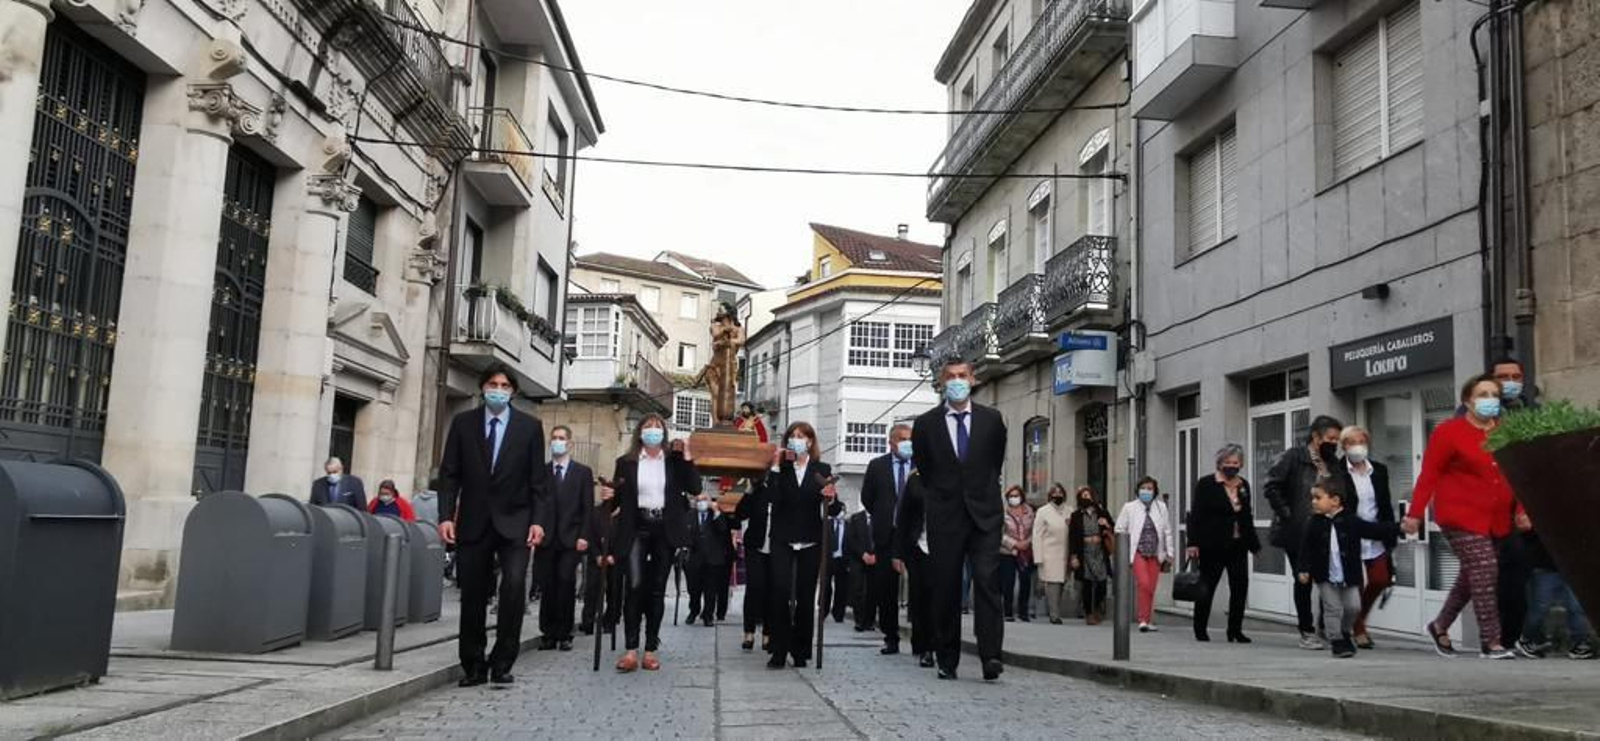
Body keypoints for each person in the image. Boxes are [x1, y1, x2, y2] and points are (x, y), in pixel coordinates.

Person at [436, 364, 549, 687]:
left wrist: (538, 521)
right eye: (492, 384)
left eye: (504, 385)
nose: (498, 389)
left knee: (513, 587)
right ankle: (473, 664)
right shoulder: (463, 423)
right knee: (472, 592)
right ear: (483, 387)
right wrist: (446, 515)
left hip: (516, 522)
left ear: (512, 390)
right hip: (473, 522)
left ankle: (503, 662)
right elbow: (449, 474)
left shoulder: (529, 428)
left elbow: (537, 482)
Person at [1402, 374, 1525, 660]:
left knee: (1472, 575)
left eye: (1494, 395)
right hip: (1459, 514)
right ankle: (1491, 642)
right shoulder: (1449, 432)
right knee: (1485, 567)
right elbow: (1429, 474)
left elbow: (1519, 475)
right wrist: (1415, 513)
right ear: (1468, 401)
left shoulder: (1506, 431)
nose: (1490, 400)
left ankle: (1440, 625)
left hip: (1495, 518)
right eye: (1483, 395)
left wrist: (1521, 510)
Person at [910, 358, 1008, 681]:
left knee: (986, 581)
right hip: (945, 516)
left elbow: (995, 460)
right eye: (951, 377)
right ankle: (947, 657)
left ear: (973, 379)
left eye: (962, 376)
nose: (957, 381)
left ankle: (991, 655)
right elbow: (925, 468)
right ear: (942, 382)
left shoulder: (992, 421)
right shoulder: (925, 425)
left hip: (985, 515)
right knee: (947, 587)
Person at [601, 415, 700, 673]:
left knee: (656, 588)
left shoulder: (674, 461)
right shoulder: (626, 463)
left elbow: (695, 487)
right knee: (634, 585)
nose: (653, 431)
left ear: (664, 433)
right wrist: (609, 495)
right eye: (648, 427)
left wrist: (688, 456)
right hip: (635, 528)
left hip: (664, 529)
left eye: (658, 427)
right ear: (640, 432)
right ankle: (631, 649)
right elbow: (618, 498)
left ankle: (651, 648)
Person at [1296, 477, 1404, 658]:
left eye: (1318, 497)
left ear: (1335, 500)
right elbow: (1305, 548)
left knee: (1353, 606)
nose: (1313, 502)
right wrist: (1303, 569)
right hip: (1324, 574)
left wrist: (1398, 527)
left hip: (1348, 573)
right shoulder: (1313, 523)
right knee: (1333, 607)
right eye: (1312, 498)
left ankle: (1345, 631)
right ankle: (1336, 640)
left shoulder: (1351, 521)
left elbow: (1373, 530)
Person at [1265, 414, 1345, 650]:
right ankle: (1306, 631)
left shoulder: (1333, 463)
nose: (1334, 443)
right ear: (1316, 436)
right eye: (1330, 438)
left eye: (1337, 440)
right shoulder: (1294, 457)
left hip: (1327, 529)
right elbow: (1271, 486)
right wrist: (1288, 514)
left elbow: (1340, 492)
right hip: (1297, 530)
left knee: (1327, 578)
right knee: (1304, 579)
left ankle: (1327, 627)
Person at [762, 422, 837, 669]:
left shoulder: (821, 469)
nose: (797, 440)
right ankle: (778, 649)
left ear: (811, 441)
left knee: (806, 596)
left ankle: (802, 648)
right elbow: (771, 498)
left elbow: (833, 508)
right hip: (783, 537)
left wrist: (831, 496)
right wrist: (774, 465)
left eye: (802, 436)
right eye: (793, 436)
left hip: (811, 538)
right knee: (780, 592)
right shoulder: (780, 470)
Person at [1186, 444, 1261, 643]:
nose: (1231, 466)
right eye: (1227, 462)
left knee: (1239, 588)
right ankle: (1200, 629)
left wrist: (1254, 544)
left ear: (1241, 464)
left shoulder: (1243, 485)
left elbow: (1246, 516)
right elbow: (1196, 515)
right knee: (1207, 587)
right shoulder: (1206, 484)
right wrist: (1192, 543)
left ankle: (1235, 630)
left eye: (1235, 463)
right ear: (1219, 464)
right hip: (1213, 544)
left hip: (1238, 544)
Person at [1335, 426, 1397, 650]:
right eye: (1351, 442)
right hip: (1350, 532)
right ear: (1344, 446)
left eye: (1361, 441)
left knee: (1380, 579)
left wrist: (1390, 531)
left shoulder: (1378, 470)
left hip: (1376, 533)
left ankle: (1357, 619)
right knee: (1355, 583)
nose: (1357, 446)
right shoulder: (1337, 471)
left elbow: (1385, 503)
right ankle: (1358, 628)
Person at [535, 425, 593, 652]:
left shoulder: (582, 472)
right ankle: (548, 633)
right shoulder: (542, 471)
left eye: (561, 438)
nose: (557, 442)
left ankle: (565, 632)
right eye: (554, 438)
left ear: (569, 443)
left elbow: (587, 507)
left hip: (571, 538)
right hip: (547, 538)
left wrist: (585, 536)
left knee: (566, 582)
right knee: (547, 584)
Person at [1515, 511, 1596, 660]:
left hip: (1569, 566)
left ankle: (1580, 643)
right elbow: (1525, 530)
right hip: (1546, 566)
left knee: (1576, 607)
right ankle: (1527, 639)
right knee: (1541, 607)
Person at [860, 425, 912, 654]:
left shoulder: (920, 465)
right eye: (902, 439)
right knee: (886, 590)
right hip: (886, 536)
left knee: (919, 588)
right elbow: (867, 498)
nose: (906, 443)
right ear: (891, 442)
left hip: (913, 535)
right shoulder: (877, 466)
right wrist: (884, 515)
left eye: (909, 439)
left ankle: (922, 641)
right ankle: (891, 637)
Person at [893, 465, 937, 669]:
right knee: (920, 595)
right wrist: (898, 553)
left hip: (943, 546)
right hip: (918, 545)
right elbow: (903, 518)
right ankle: (923, 645)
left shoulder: (951, 474)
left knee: (938, 596)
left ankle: (939, 643)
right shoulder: (914, 480)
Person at [1116, 477, 1173, 632]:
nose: (1146, 491)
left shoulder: (1161, 507)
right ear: (1138, 490)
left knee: (1151, 588)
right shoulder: (1129, 507)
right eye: (1143, 488)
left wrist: (1170, 552)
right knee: (1144, 584)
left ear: (1155, 491)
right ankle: (1142, 619)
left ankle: (1148, 620)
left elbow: (1167, 531)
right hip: (1138, 552)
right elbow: (1119, 528)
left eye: (1150, 488)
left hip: (1155, 553)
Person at [733, 473, 776, 653]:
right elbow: (740, 513)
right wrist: (749, 491)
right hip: (755, 546)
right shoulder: (758, 492)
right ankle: (748, 632)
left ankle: (768, 634)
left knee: (771, 591)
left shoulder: (783, 489)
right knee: (755, 588)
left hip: (776, 547)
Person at [580, 483, 624, 637]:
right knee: (591, 590)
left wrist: (615, 556)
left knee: (614, 591)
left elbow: (625, 540)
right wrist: (597, 555)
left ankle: (609, 621)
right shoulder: (596, 512)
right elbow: (589, 535)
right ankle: (588, 622)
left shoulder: (623, 516)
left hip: (615, 559)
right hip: (597, 557)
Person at [686, 492, 734, 628]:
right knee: (693, 589)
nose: (701, 502)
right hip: (695, 558)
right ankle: (694, 610)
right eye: (698, 500)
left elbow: (723, 529)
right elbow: (685, 533)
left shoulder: (716, 515)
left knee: (711, 590)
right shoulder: (690, 515)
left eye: (704, 500)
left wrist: (715, 510)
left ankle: (708, 615)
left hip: (713, 558)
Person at [1068, 486, 1113, 625]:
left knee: (1101, 581)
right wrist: (1073, 556)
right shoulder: (1076, 515)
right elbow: (1073, 537)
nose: (1086, 498)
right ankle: (1088, 613)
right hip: (1084, 550)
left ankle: (1099, 608)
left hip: (1099, 550)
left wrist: (1106, 524)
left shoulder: (1102, 512)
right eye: (1083, 495)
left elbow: (1114, 527)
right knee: (1087, 583)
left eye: (1088, 495)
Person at [1032, 484, 1072, 624]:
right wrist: (1038, 558)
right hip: (1049, 553)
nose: (1058, 495)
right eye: (1055, 492)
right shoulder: (1043, 511)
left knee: (1061, 583)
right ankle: (1054, 614)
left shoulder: (1069, 510)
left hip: (1065, 553)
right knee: (1053, 584)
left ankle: (1055, 611)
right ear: (1050, 495)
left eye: (1060, 492)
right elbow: (1037, 535)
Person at [998, 486, 1035, 623]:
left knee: (1025, 581)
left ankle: (1023, 611)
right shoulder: (1003, 512)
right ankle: (1007, 612)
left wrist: (1027, 542)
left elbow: (1034, 531)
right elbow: (999, 533)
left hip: (1025, 552)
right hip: (1007, 552)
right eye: (1011, 496)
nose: (1014, 498)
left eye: (1016, 495)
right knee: (1008, 581)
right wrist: (1014, 544)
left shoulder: (1029, 512)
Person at [845, 504, 876, 632]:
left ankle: (869, 621)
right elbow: (850, 539)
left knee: (872, 592)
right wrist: (862, 554)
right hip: (858, 559)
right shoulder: (856, 518)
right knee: (858, 590)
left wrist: (875, 555)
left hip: (875, 560)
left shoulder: (880, 518)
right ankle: (859, 621)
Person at [823, 501, 852, 624]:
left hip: (842, 560)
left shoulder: (849, 525)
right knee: (826, 586)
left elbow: (851, 544)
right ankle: (823, 611)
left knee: (841, 588)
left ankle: (838, 613)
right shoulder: (827, 524)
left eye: (844, 510)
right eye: (841, 510)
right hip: (829, 559)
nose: (842, 513)